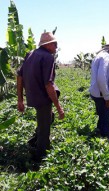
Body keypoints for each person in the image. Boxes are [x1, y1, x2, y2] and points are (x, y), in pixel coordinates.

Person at [17, 32, 65, 162]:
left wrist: (20, 99)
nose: (56, 47)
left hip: (32, 96)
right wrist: (59, 107)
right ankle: (40, 158)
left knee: (48, 118)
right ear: (48, 45)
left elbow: (19, 76)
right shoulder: (48, 57)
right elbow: (48, 85)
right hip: (43, 98)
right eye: (55, 44)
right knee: (45, 129)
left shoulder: (30, 54)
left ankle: (34, 142)